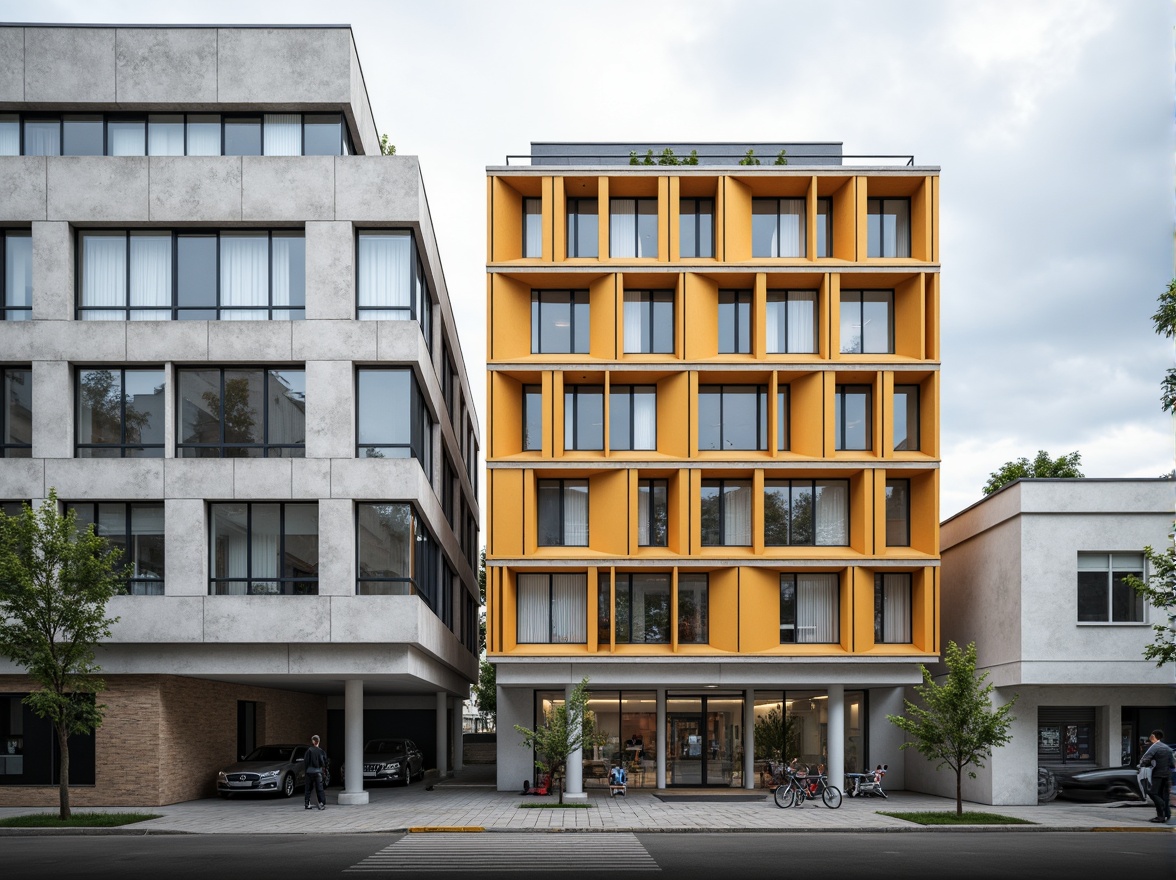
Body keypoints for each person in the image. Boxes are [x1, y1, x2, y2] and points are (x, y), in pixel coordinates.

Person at [1139, 730, 1173, 824]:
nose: (1150, 737)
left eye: (1151, 735)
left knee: (1152, 792)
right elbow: (1172, 764)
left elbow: (1145, 758)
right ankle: (1165, 814)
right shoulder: (1168, 748)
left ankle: (1161, 813)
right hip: (1167, 774)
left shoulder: (1155, 747)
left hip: (1158, 774)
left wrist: (1142, 765)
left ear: (1154, 736)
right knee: (1164, 794)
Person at [304, 734, 329, 811]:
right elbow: (324, 761)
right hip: (318, 771)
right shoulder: (321, 751)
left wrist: (306, 770)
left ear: (313, 741)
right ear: (318, 741)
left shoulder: (309, 750)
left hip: (309, 772)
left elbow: (306, 761)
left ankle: (307, 803)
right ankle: (321, 803)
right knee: (319, 788)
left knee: (308, 788)